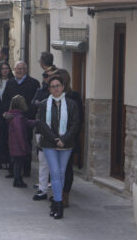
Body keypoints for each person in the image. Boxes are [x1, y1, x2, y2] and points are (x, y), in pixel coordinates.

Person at [37, 76, 80, 219]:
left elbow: (75, 124)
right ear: (49, 89)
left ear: (63, 87)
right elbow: (41, 124)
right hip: (49, 144)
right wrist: (55, 139)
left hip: (66, 145)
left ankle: (56, 202)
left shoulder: (72, 104)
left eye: (58, 85)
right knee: (55, 173)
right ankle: (59, 205)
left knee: (61, 174)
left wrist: (64, 139)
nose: (55, 88)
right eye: (52, 86)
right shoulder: (44, 104)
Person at [51, 68, 84, 208]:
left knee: (66, 168)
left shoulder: (74, 96)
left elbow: (78, 119)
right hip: (53, 138)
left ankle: (64, 195)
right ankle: (57, 194)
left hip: (68, 138)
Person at [14, 61, 40, 177]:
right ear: (15, 70)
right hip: (13, 120)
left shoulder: (34, 83)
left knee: (26, 143)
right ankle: (13, 170)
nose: (20, 71)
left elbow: (35, 102)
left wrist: (29, 114)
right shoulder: (11, 83)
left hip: (27, 119)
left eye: (22, 68)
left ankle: (26, 169)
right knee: (14, 144)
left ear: (26, 70)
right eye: (18, 69)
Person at [5, 95, 37, 188]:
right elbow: (20, 134)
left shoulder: (14, 116)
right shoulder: (18, 117)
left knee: (16, 163)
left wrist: (37, 122)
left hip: (14, 145)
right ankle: (17, 180)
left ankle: (17, 179)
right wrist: (24, 147)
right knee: (18, 164)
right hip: (19, 145)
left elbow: (27, 122)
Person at [31, 71, 53, 201]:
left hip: (57, 135)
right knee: (43, 161)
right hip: (42, 132)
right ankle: (42, 189)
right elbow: (34, 107)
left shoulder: (66, 99)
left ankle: (56, 193)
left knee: (56, 165)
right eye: (45, 76)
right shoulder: (41, 92)